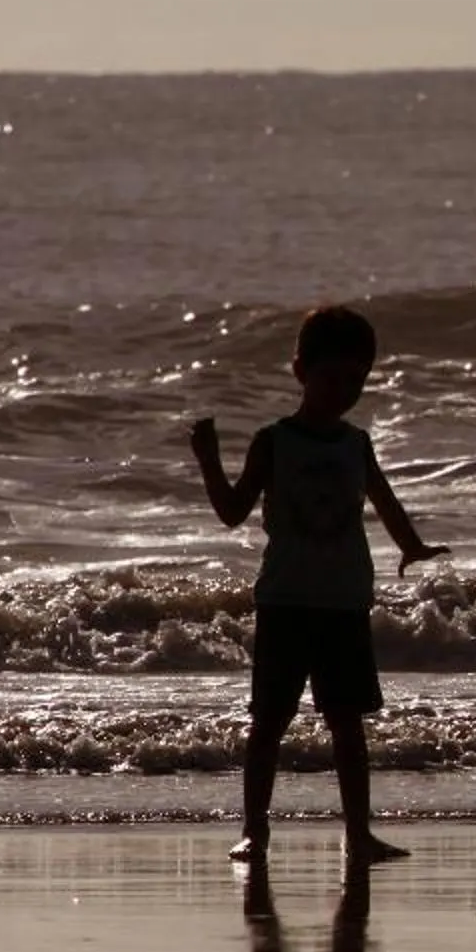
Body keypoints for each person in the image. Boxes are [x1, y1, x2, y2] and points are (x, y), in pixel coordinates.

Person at [190, 304, 445, 865]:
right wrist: (208, 460)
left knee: (347, 724)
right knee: (269, 723)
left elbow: (384, 500)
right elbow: (232, 512)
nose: (344, 391)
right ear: (301, 371)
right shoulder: (274, 441)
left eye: (356, 381)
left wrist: (411, 546)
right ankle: (254, 832)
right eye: (333, 378)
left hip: (343, 602)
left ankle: (359, 834)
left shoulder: (356, 443)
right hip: (284, 599)